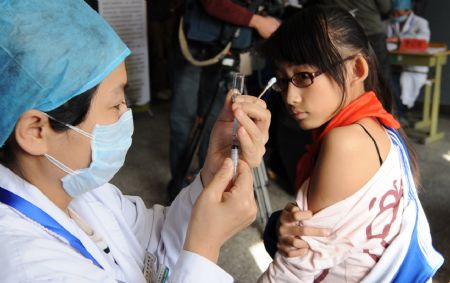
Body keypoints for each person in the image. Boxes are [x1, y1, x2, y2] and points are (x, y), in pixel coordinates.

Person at [0, 1, 271, 282]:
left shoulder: (77, 187)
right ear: (35, 131)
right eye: (116, 104)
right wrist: (203, 250)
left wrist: (213, 171)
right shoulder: (25, 266)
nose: (126, 115)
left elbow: (153, 237)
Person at [257, 5, 443, 282]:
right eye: (284, 80)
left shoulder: (345, 143)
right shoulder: (380, 124)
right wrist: (280, 228)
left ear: (356, 69)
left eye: (304, 76)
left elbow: (291, 274)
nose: (290, 97)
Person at [168, 0, 280, 199]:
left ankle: (207, 183)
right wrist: (255, 21)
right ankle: (178, 185)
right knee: (182, 119)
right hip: (194, 47)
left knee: (216, 122)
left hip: (229, 49)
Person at [387, 0, 431, 113]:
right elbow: (386, 38)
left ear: (408, 11)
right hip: (396, 64)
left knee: (403, 82)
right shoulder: (391, 23)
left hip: (413, 66)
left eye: (399, 14)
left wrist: (400, 41)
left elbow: (424, 39)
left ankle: (401, 114)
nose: (396, 16)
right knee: (388, 80)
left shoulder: (420, 22)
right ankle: (399, 114)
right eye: (394, 13)